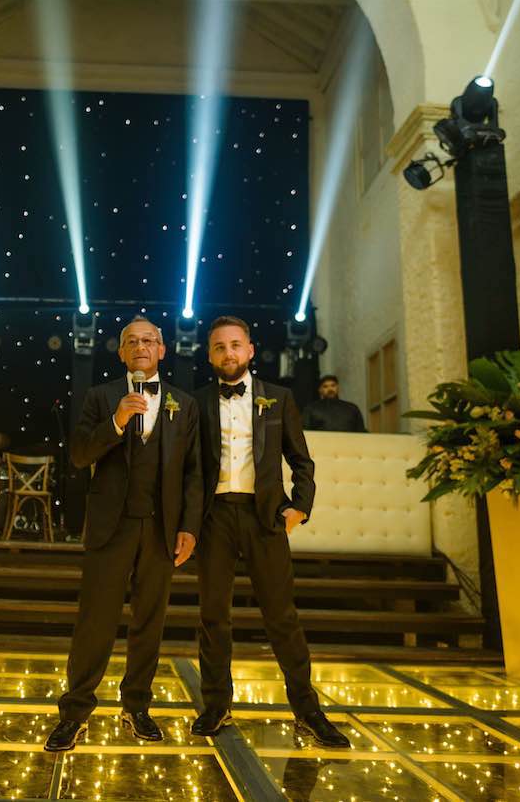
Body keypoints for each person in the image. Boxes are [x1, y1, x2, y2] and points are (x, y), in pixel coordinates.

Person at [190, 316, 350, 748]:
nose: (228, 353)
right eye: (219, 347)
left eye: (235, 345)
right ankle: (216, 705)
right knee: (213, 616)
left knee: (281, 617)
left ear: (250, 350)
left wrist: (300, 507)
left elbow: (302, 460)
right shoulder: (196, 402)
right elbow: (189, 469)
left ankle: (308, 711)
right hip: (214, 518)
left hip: (265, 518)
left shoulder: (279, 398)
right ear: (210, 355)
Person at [45, 317, 203, 752]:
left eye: (148, 340)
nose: (140, 346)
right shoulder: (100, 397)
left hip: (161, 528)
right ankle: (75, 712)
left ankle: (137, 707)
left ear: (162, 350)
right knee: (95, 622)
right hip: (110, 526)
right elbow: (79, 455)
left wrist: (190, 527)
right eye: (131, 341)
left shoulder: (185, 404)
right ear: (120, 352)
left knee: (149, 622)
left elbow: (194, 473)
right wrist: (115, 422)